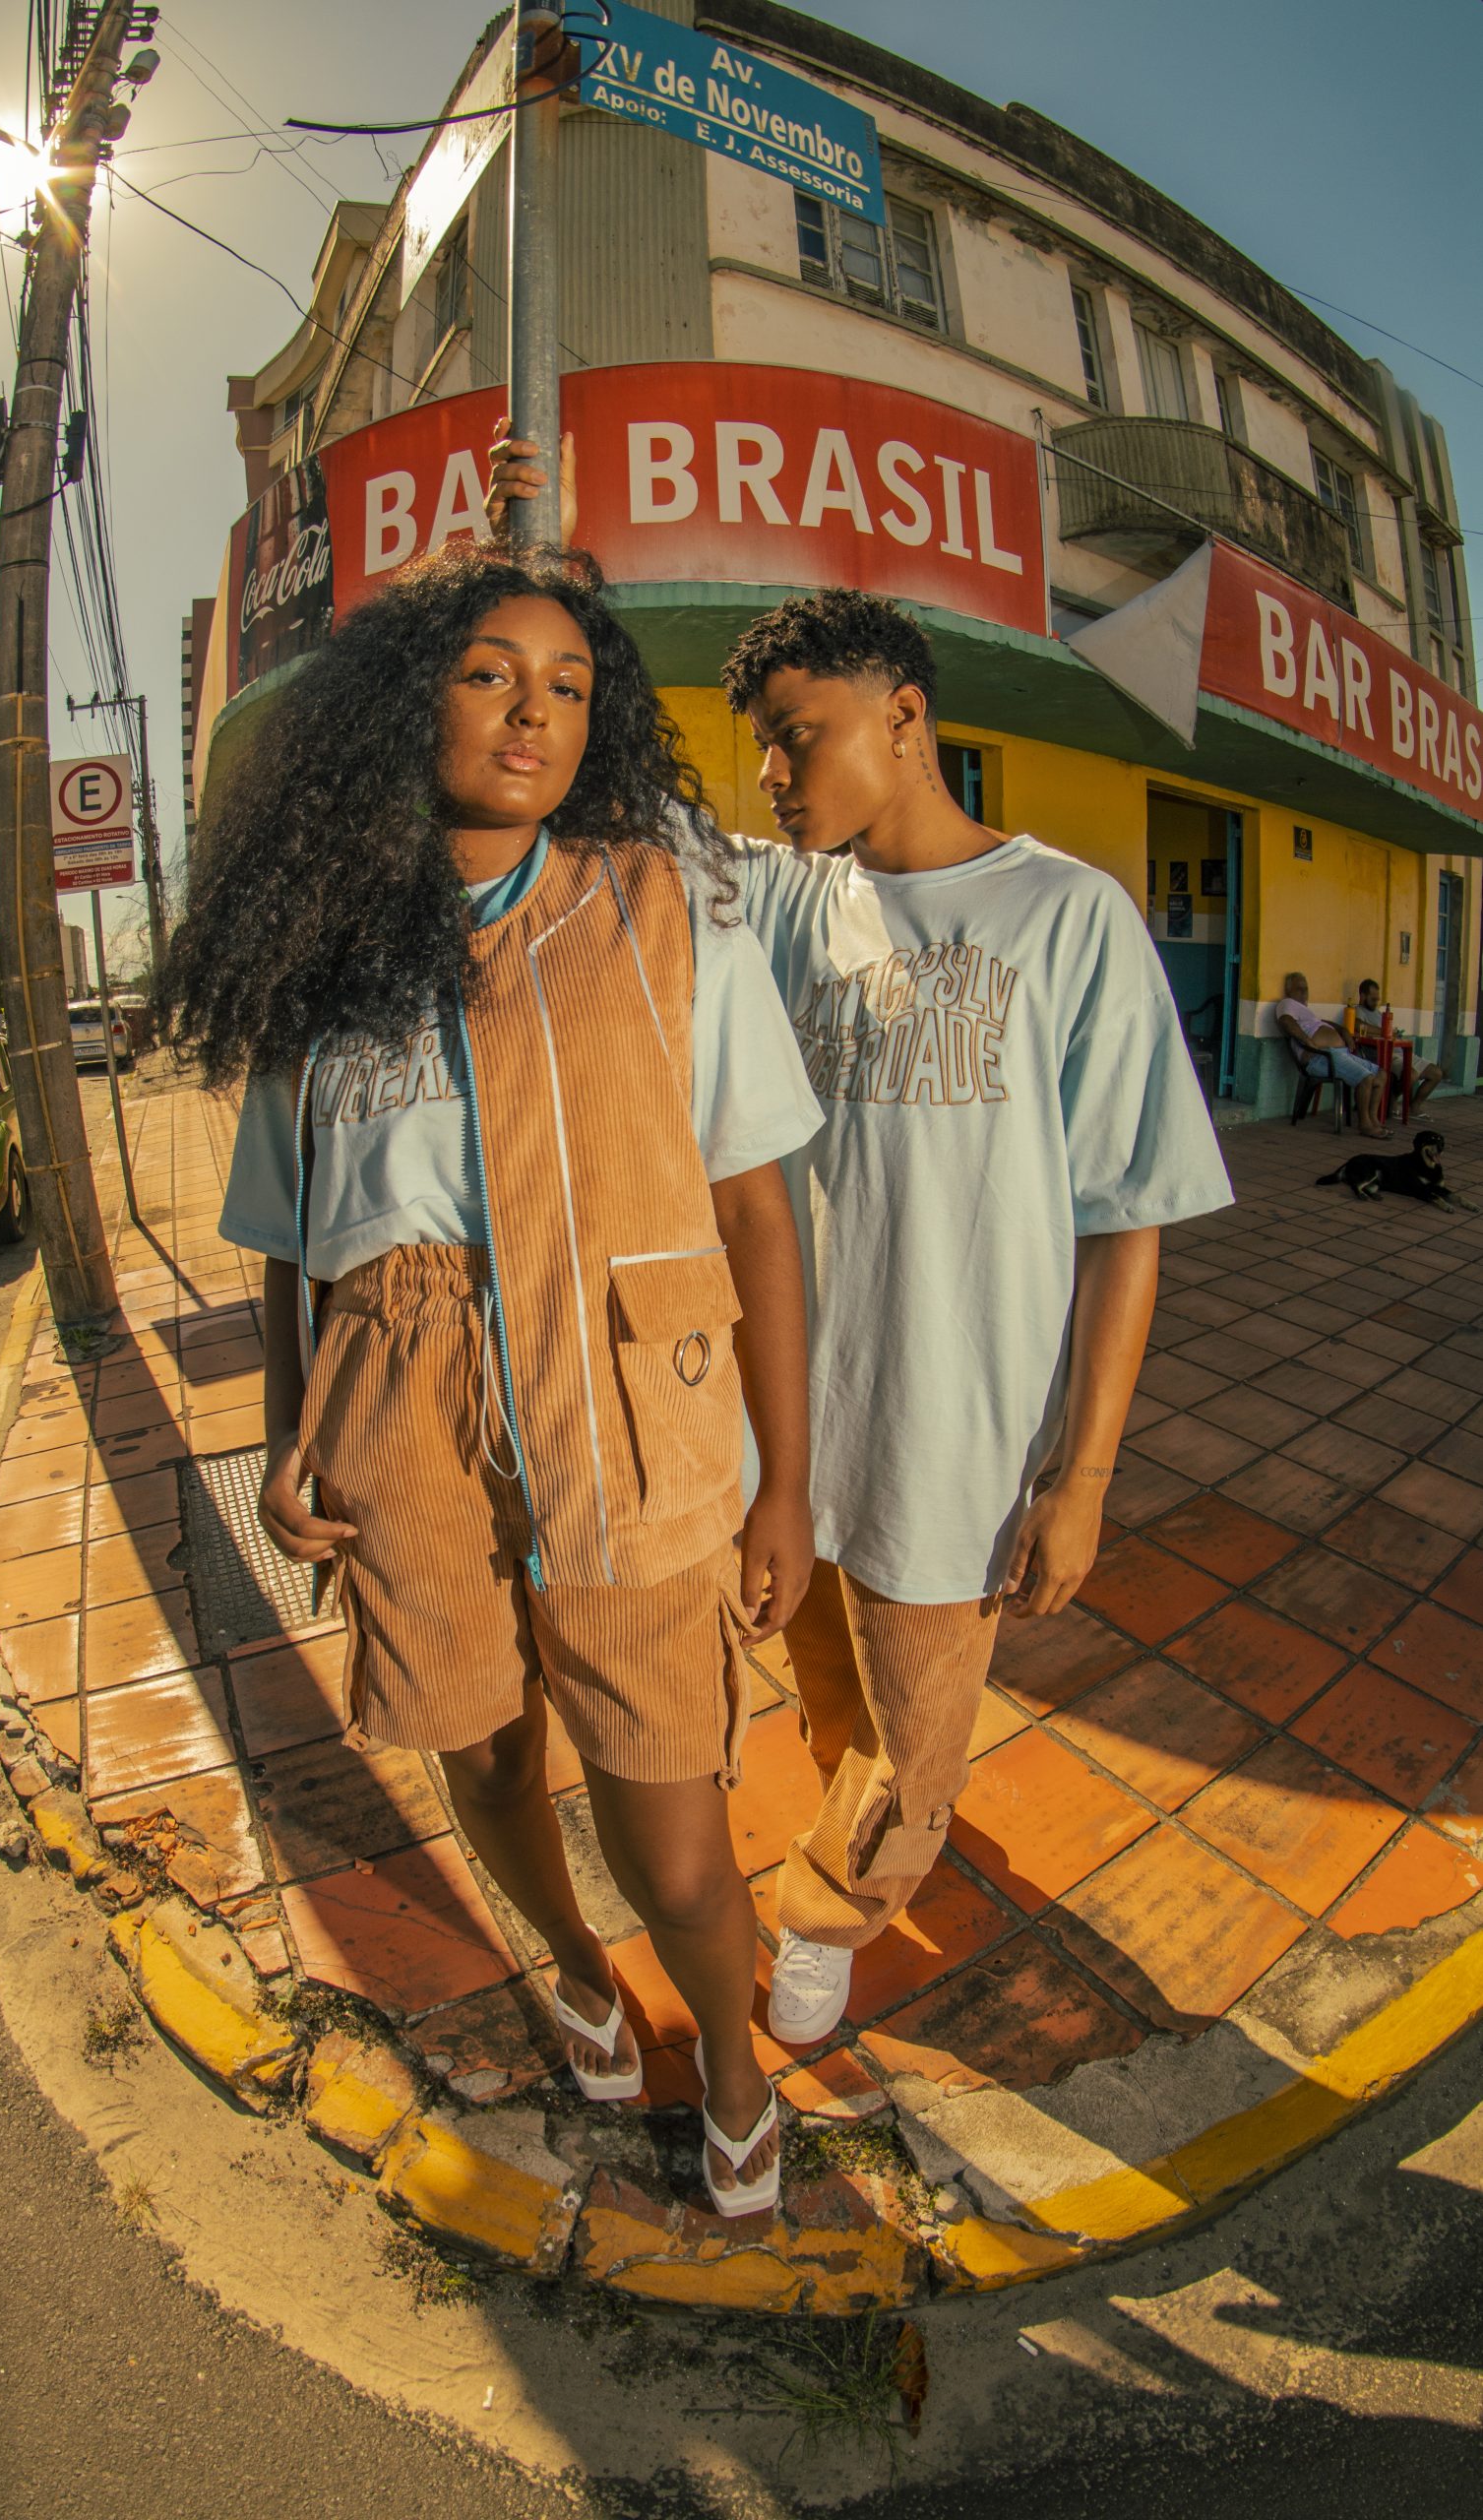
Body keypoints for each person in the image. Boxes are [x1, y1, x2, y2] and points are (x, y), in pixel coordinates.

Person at [159, 540, 824, 2214]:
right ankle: (579, 1980)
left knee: (673, 1831)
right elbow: (290, 1240)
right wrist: (285, 1430)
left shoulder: (660, 909)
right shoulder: (320, 955)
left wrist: (789, 1485)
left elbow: (756, 1204)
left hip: (628, 1397)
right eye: (487, 674)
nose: (532, 713)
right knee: (482, 1756)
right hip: (395, 1403)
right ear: (411, 701)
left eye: (568, 686)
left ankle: (731, 2065)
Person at [711, 591, 1236, 2043]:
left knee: (920, 1719)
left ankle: (834, 1903)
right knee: (831, 1692)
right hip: (792, 1426)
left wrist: (1083, 1478)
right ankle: (879, 1817)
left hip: (952, 1438)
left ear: (902, 717)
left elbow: (1125, 1218)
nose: (773, 774)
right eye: (762, 748)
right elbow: (609, 813)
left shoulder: (1067, 915)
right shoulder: (782, 900)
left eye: (796, 737)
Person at [1275, 975, 1388, 1136]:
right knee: (1366, 1078)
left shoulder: (1305, 1012)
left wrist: (1343, 1031)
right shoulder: (1287, 1004)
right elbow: (1286, 1021)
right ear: (1288, 990)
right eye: (1299, 989)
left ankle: (1373, 1119)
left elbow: (1322, 1022)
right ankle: (1365, 1124)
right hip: (1320, 1057)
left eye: (1306, 989)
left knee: (1381, 1074)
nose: (1304, 992)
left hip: (1338, 1053)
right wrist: (1308, 1041)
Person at [1346, 977, 1444, 1115]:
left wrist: (1392, 1033)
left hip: (1400, 1051)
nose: (1376, 1002)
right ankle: (1391, 1099)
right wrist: (1385, 1031)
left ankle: (1414, 1106)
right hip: (1387, 1054)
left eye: (1377, 999)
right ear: (1362, 996)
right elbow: (1357, 1025)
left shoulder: (1379, 1013)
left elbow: (1387, 1031)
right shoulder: (1357, 1010)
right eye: (1373, 999)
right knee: (1411, 1075)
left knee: (1436, 1073)